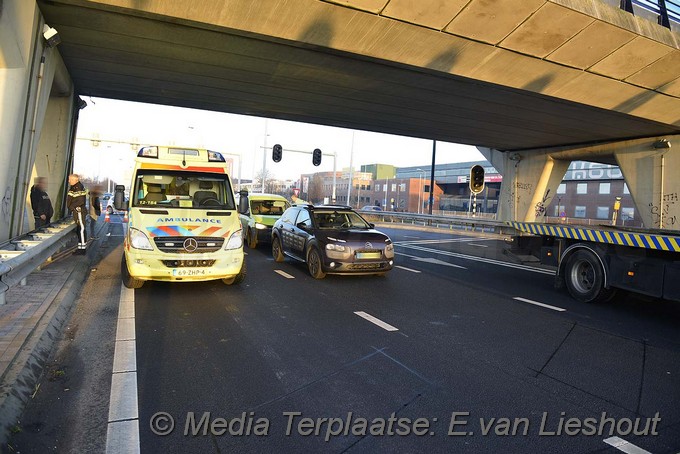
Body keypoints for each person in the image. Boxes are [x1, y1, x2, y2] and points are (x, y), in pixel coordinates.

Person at [67, 174, 88, 251]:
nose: (69, 181)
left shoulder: (78, 187)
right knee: (79, 229)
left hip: (79, 211)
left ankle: (82, 249)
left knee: (81, 229)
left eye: (70, 179)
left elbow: (80, 201)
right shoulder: (75, 187)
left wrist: (72, 207)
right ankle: (80, 247)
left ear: (75, 180)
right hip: (77, 211)